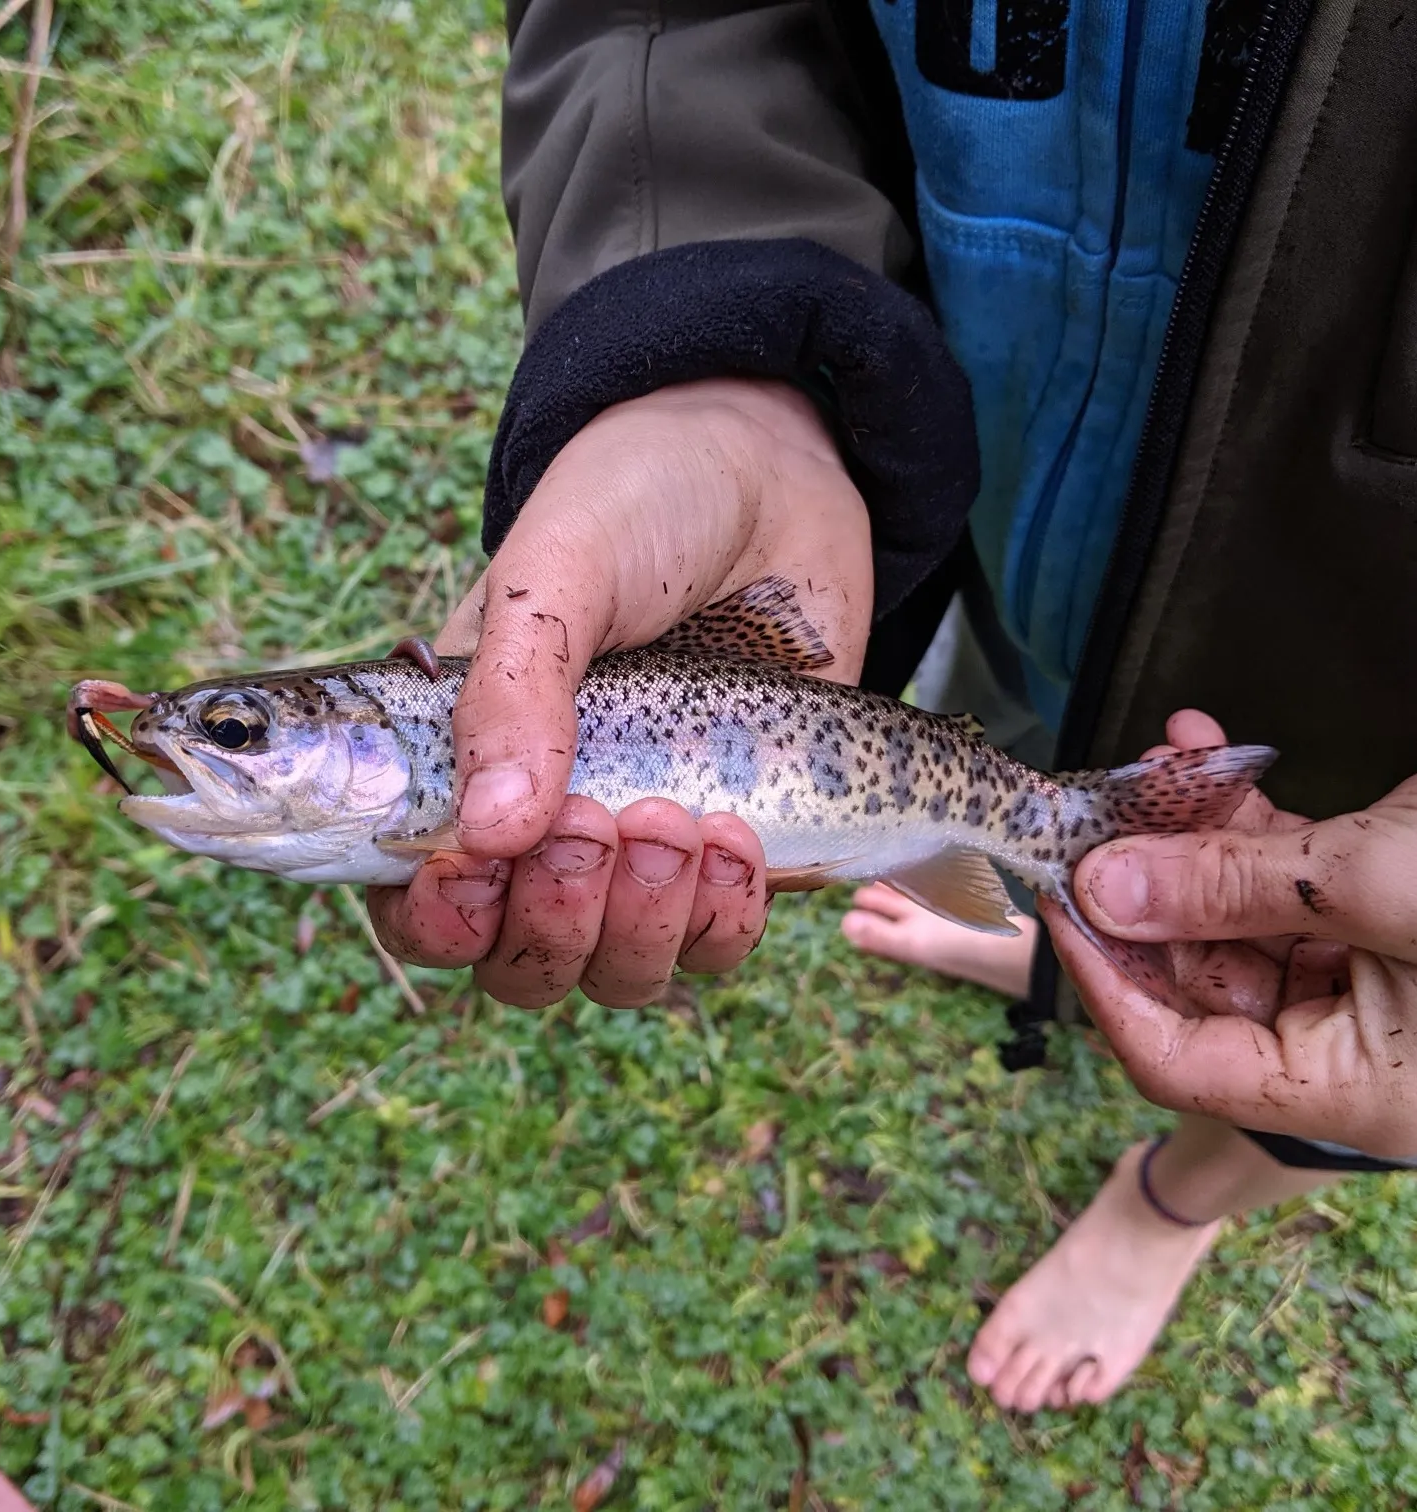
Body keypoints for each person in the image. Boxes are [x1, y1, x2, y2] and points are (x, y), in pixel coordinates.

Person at [368, 0, 1417, 1412]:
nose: (221, 751)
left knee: (1340, 999)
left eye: (245, 735)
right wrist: (729, 384)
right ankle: (1040, 915)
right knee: (1030, 742)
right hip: (996, 498)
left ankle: (1172, 1204)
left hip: (1363, 638)